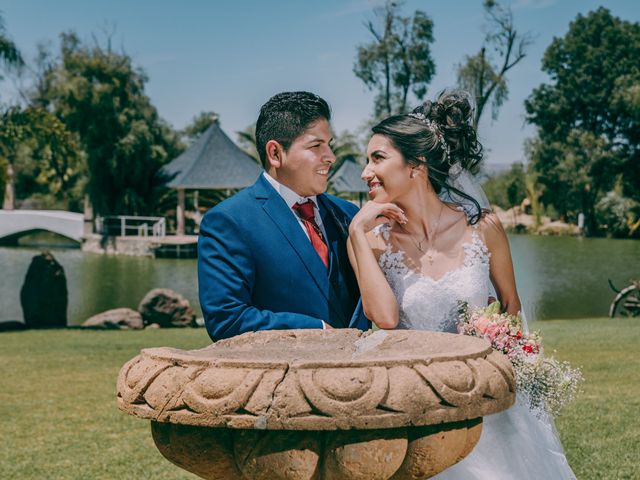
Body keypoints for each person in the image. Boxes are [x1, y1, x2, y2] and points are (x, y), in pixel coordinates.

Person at [347, 90, 576, 479]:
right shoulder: (370, 241)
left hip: (487, 404)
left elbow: (510, 309)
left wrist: (501, 349)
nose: (365, 172)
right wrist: (355, 230)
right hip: (418, 410)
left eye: (378, 158)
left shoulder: (484, 228)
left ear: (416, 166)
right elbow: (383, 317)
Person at [198, 91, 368, 341]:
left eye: (329, 144)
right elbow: (226, 319)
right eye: (316, 145)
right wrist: (318, 330)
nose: (330, 157)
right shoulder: (229, 221)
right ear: (275, 153)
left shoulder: (350, 215)